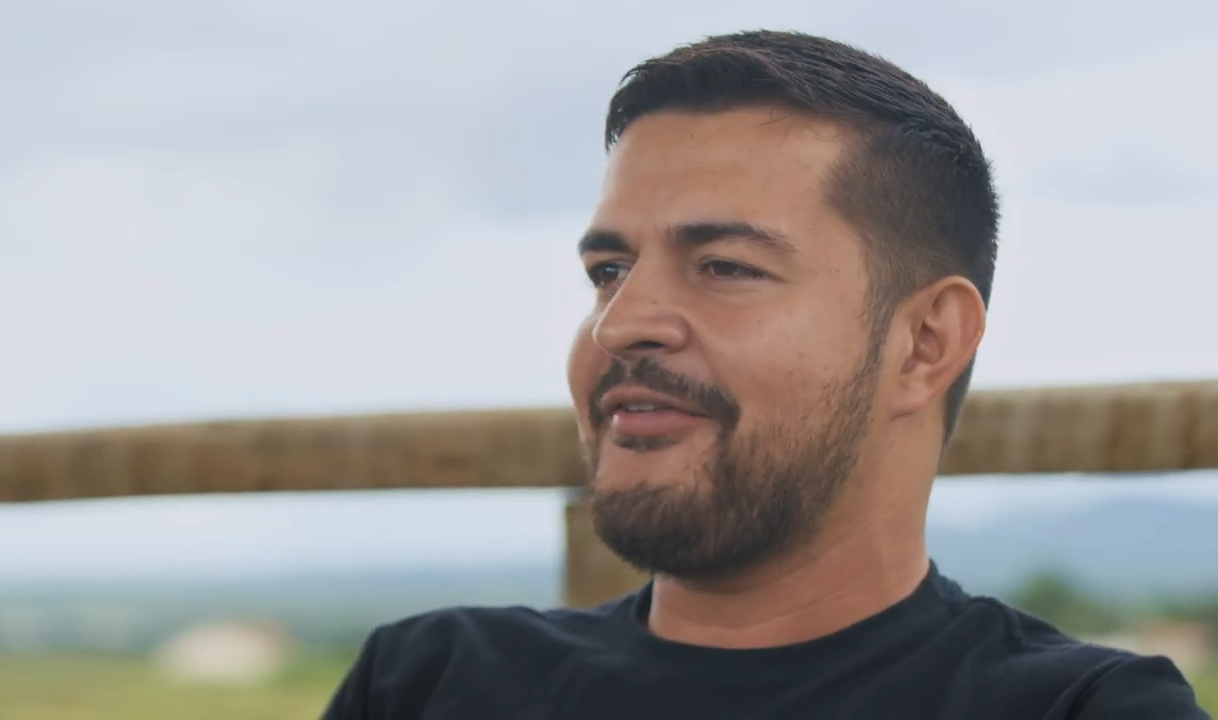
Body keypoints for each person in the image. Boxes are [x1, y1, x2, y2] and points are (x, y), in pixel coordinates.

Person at [323, 30, 1210, 719]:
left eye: (726, 267)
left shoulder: (1075, 710)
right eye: (608, 270)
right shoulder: (427, 681)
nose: (620, 321)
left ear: (927, 342)